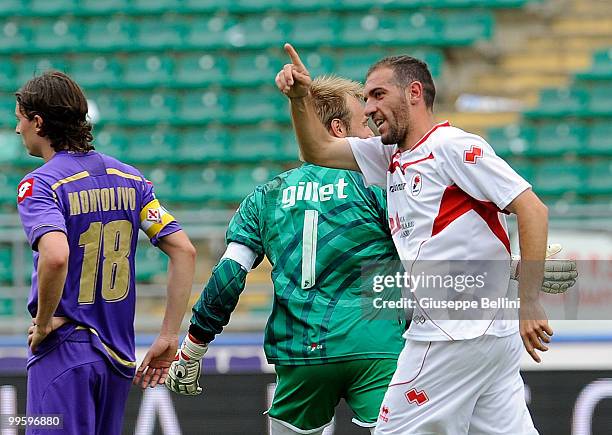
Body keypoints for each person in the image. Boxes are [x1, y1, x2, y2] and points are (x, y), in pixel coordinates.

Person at [165, 75, 576, 434]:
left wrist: (194, 344)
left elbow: (228, 277)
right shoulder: (379, 184)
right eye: (363, 119)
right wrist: (516, 270)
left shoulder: (265, 197)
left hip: (301, 351)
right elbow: (426, 257)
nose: (373, 124)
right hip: (376, 344)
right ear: (338, 127)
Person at [275, 44, 552, 434]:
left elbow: (532, 208)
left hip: (450, 333)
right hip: (486, 336)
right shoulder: (389, 157)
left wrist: (530, 301)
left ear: (414, 93)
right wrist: (300, 98)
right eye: (367, 98)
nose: (368, 108)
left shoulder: (452, 147)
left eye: (378, 95)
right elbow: (317, 149)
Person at [15, 71, 196, 435]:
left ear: (38, 122)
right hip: (116, 359)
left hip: (63, 352)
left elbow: (55, 256)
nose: (17, 129)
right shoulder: (131, 180)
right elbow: (185, 251)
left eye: (18, 119)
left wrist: (47, 320)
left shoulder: (41, 184)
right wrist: (168, 334)